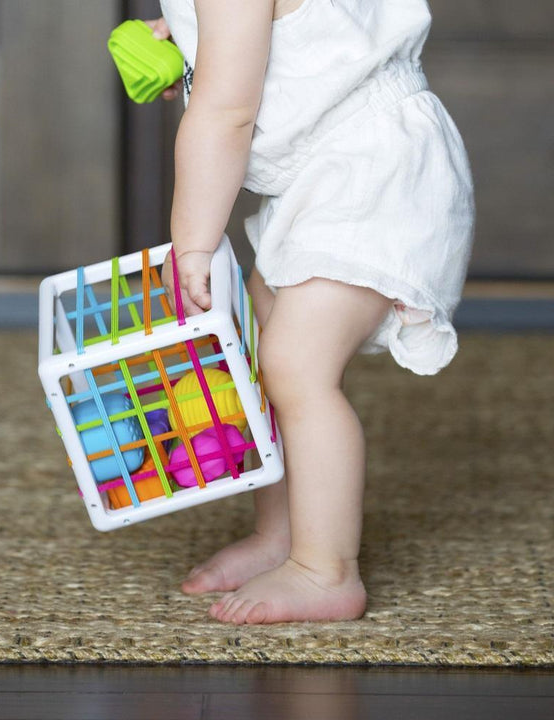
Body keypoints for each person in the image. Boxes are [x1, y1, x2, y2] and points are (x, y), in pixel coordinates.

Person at [150, 0, 475, 625]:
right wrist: (186, 42)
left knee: (296, 366)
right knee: (265, 354)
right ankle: (282, 538)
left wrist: (192, 240)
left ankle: (326, 570)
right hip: (326, 168)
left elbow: (227, 111)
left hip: (367, 171)